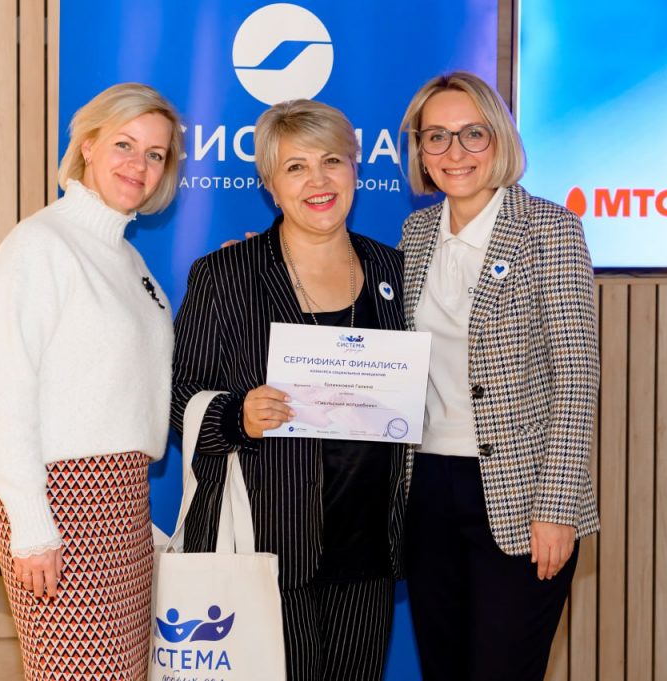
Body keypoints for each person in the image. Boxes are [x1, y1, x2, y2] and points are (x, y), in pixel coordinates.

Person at [170, 99, 407, 681]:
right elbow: (177, 395)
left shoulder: (395, 271)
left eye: (332, 161)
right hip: (267, 545)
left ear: (355, 169)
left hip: (367, 550)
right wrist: (236, 417)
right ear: (271, 186)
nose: (318, 181)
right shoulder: (224, 275)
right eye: (296, 167)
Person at [0, 82, 183, 680]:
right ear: (88, 145)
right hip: (61, 502)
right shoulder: (39, 244)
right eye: (124, 144)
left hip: (123, 503)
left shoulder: (129, 261)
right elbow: (1, 394)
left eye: (155, 154)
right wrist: (31, 525)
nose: (138, 164)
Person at [397, 71, 601, 681]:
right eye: (436, 136)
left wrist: (557, 507)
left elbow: (576, 377)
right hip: (426, 488)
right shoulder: (414, 235)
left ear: (501, 140)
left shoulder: (550, 228)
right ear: (421, 153)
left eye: (473, 133)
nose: (454, 151)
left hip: (522, 496)